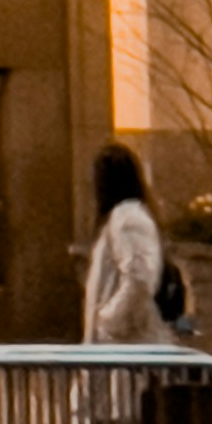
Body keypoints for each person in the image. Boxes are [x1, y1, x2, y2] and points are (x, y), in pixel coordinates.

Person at [81, 143, 167, 344]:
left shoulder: (126, 219)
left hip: (124, 346)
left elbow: (139, 278)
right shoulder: (126, 218)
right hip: (122, 345)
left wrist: (109, 320)